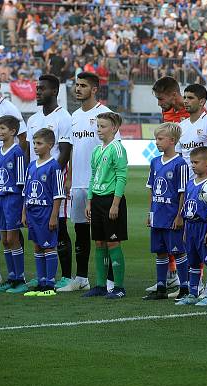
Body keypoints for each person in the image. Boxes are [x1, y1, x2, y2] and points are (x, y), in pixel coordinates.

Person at [59, 72, 114, 293]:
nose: (78, 88)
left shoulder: (106, 114)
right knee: (81, 231)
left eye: (83, 85)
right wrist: (70, 177)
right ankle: (82, 278)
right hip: (79, 184)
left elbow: (112, 150)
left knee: (105, 235)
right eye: (76, 85)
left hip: (100, 186)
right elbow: (72, 150)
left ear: (94, 89)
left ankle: (109, 280)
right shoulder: (74, 116)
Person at [25, 74, 74, 290]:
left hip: (53, 182)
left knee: (59, 226)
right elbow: (28, 153)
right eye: (37, 88)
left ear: (54, 91)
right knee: (38, 232)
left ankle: (65, 276)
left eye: (42, 89)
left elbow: (64, 152)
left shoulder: (64, 117)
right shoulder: (33, 120)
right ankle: (43, 276)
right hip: (36, 180)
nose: (37, 92)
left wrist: (51, 176)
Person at [80, 112, 128, 300]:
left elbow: (121, 177)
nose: (99, 130)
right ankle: (100, 285)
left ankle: (119, 287)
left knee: (113, 242)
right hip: (97, 201)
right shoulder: (97, 150)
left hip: (111, 200)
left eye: (103, 126)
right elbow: (93, 177)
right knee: (99, 242)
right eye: (98, 126)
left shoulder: (117, 149)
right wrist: (89, 201)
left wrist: (115, 204)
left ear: (114, 128)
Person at [142, 123, 189, 301]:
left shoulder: (180, 164)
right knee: (160, 251)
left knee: (178, 251)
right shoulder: (155, 162)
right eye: (156, 139)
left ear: (172, 141)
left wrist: (179, 215)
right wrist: (150, 213)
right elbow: (152, 189)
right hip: (158, 215)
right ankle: (161, 287)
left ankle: (185, 287)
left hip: (172, 216)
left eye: (160, 139)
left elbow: (183, 191)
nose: (156, 142)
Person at [152, 76, 190, 291]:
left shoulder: (191, 111)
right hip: (171, 172)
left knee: (186, 230)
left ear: (174, 95)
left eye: (161, 98)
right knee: (165, 229)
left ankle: (194, 279)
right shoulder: (167, 114)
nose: (159, 103)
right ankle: (171, 275)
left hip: (191, 174)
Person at [21, 128, 64, 297]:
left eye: (39, 143)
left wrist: (54, 216)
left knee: (48, 247)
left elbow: (58, 194)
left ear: (50, 145)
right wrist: (24, 213)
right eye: (34, 143)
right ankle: (41, 282)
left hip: (46, 213)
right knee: (37, 247)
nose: (35, 147)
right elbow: (26, 192)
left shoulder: (54, 167)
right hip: (32, 213)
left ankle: (50, 284)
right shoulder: (31, 166)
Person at [0, 115, 27, 293]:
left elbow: (21, 182)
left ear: (13, 131)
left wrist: (22, 206)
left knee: (13, 239)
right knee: (4, 240)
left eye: (3, 128)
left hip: (12, 198)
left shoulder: (18, 152)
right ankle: (11, 277)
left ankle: (20, 278)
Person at [177, 146, 207, 306]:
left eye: (196, 162)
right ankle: (193, 293)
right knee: (193, 261)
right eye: (192, 162)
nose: (193, 165)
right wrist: (185, 230)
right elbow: (187, 206)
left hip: (204, 227)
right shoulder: (189, 183)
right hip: (191, 227)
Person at [0, 71, 27, 159]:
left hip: (4, 164)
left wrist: (15, 160)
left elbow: (23, 137)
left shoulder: (10, 108)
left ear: (0, 86)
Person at [177, 83, 207, 173]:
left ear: (201, 102)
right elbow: (179, 155)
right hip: (185, 183)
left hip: (206, 183)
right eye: (184, 97)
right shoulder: (181, 126)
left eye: (190, 98)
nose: (185, 101)